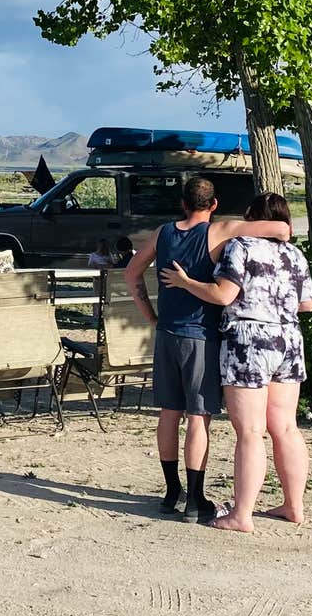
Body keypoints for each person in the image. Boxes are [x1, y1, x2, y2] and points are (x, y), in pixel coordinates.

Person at [123, 177, 292, 523]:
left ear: (182, 203)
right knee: (198, 417)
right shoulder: (221, 231)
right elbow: (282, 229)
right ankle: (195, 497)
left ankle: (172, 491)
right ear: (213, 205)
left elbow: (132, 273)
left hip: (167, 333)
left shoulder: (162, 234)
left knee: (169, 413)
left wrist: (151, 316)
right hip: (201, 334)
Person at [160, 192, 312, 534]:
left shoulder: (240, 246)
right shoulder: (294, 254)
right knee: (286, 427)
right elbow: (308, 304)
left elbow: (223, 294)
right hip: (288, 338)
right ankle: (294, 505)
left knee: (250, 431)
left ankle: (241, 514)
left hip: (248, 340)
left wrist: (186, 283)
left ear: (252, 217)